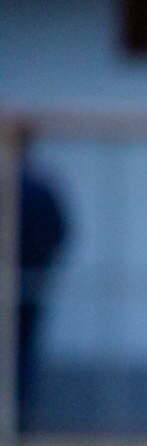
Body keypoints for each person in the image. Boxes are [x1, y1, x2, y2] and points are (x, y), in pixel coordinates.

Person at [15, 160, 68, 429]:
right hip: (31, 281)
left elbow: (59, 231)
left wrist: (38, 265)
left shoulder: (37, 189)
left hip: (28, 286)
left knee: (21, 356)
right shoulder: (38, 189)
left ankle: (18, 420)